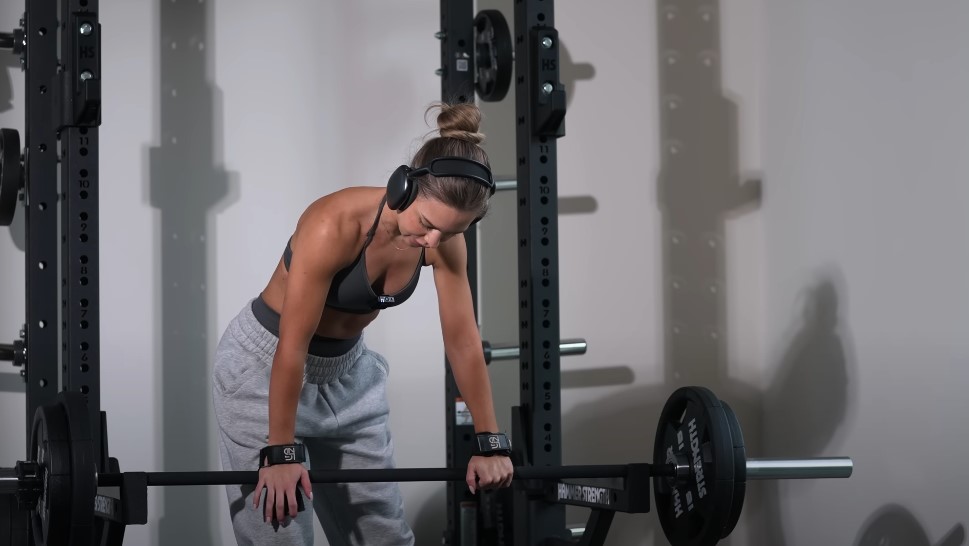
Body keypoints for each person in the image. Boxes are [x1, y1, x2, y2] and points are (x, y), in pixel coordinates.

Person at [211, 102, 514, 546]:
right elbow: (293, 345)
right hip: (265, 368)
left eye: (449, 233)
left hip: (349, 374)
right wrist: (280, 451)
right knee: (280, 536)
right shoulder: (331, 225)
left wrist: (490, 440)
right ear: (402, 189)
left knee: (384, 537)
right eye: (429, 224)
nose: (433, 241)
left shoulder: (444, 241)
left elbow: (464, 341)